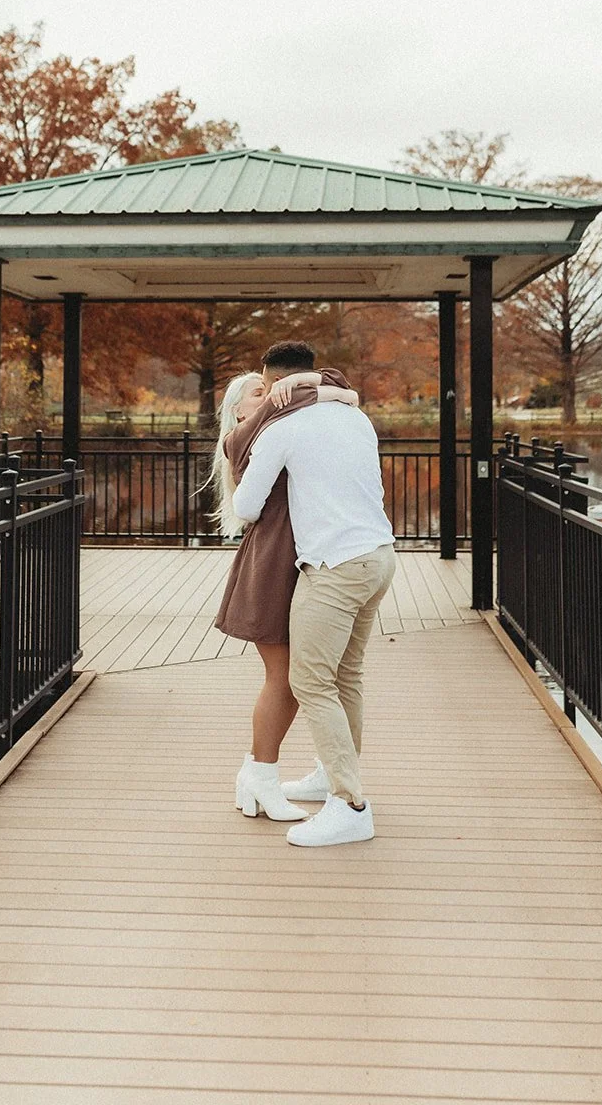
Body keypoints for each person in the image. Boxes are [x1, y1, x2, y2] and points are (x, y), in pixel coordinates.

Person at [232, 343, 396, 848]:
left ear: (273, 383)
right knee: (347, 675)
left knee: (310, 681)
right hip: (380, 556)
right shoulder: (355, 417)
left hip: (334, 567)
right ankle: (331, 775)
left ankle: (349, 805)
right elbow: (342, 397)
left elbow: (245, 505)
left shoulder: (281, 430)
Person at [211, 345, 358, 822]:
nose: (273, 393)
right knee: (287, 678)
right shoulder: (243, 436)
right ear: (239, 408)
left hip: (302, 560)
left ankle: (263, 777)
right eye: (259, 391)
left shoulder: (282, 421)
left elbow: (341, 387)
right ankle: (261, 777)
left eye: (272, 385)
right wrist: (302, 388)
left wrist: (311, 382)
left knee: (303, 677)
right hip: (271, 565)